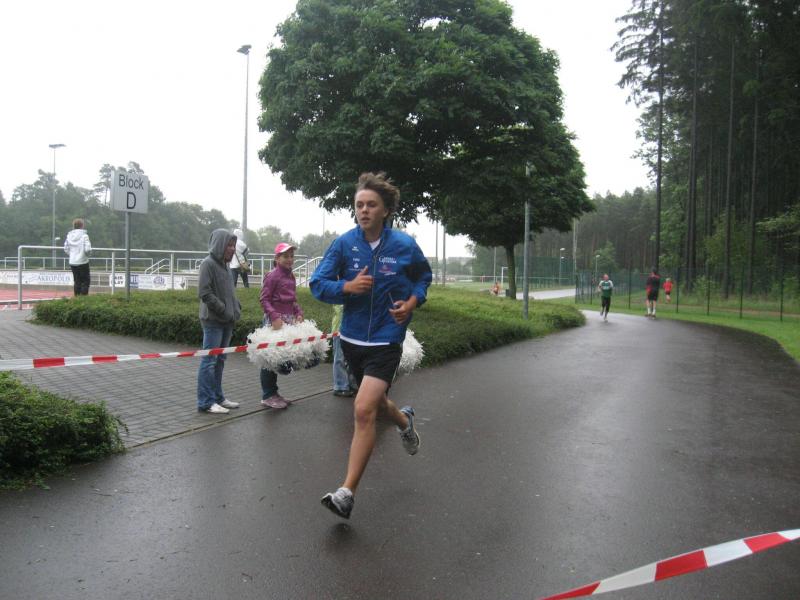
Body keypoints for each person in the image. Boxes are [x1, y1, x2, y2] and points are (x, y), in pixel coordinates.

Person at [310, 171, 432, 519]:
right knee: (375, 404)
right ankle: (404, 421)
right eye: (359, 205)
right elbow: (317, 283)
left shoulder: (404, 245)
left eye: (371, 205)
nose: (363, 210)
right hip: (351, 340)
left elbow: (423, 278)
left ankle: (346, 493)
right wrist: (346, 288)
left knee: (363, 409)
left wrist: (412, 303)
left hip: (386, 339)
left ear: (385, 210)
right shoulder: (344, 244)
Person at [197, 229, 241, 414]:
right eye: (229, 245)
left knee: (220, 360)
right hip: (213, 321)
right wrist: (223, 309)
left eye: (233, 245)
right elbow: (204, 293)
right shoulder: (207, 264)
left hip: (227, 321)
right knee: (209, 361)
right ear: (219, 245)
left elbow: (229, 292)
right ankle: (206, 402)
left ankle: (218, 397)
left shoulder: (226, 266)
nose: (232, 249)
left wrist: (236, 308)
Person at [259, 242, 304, 409]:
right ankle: (267, 395)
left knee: (278, 359)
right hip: (274, 323)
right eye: (285, 256)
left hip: (287, 322)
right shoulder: (272, 276)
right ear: (277, 258)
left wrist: (298, 313)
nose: (289, 259)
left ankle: (274, 393)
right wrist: (274, 317)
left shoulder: (291, 276)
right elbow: (264, 299)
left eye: (292, 256)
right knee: (269, 359)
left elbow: (293, 300)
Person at [331, 304, 357, 397]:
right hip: (339, 330)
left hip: (352, 331)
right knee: (339, 358)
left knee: (352, 358)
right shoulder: (340, 297)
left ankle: (352, 384)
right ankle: (340, 386)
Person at [63, 218, 92, 296]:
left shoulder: (69, 236)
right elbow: (88, 249)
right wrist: (86, 255)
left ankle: (77, 298)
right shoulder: (85, 236)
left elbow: (66, 248)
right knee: (85, 281)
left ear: (74, 226)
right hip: (83, 261)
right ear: (82, 226)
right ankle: (83, 298)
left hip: (73, 262)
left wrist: (72, 255)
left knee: (77, 281)